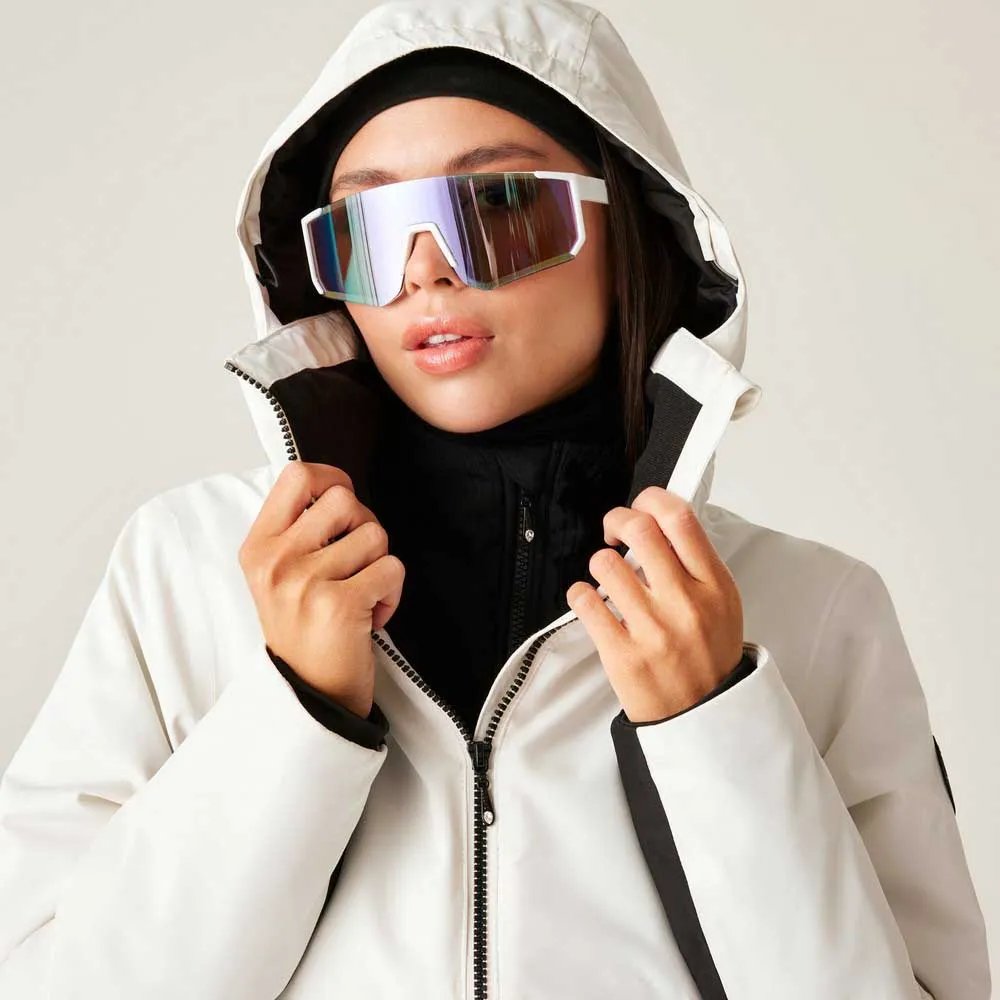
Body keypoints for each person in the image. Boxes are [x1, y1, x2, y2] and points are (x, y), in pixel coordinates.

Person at [0, 0, 990, 997]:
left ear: (630, 228)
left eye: (501, 205)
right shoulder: (187, 567)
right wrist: (295, 709)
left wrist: (715, 727)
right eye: (367, 227)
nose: (423, 271)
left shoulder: (814, 611)